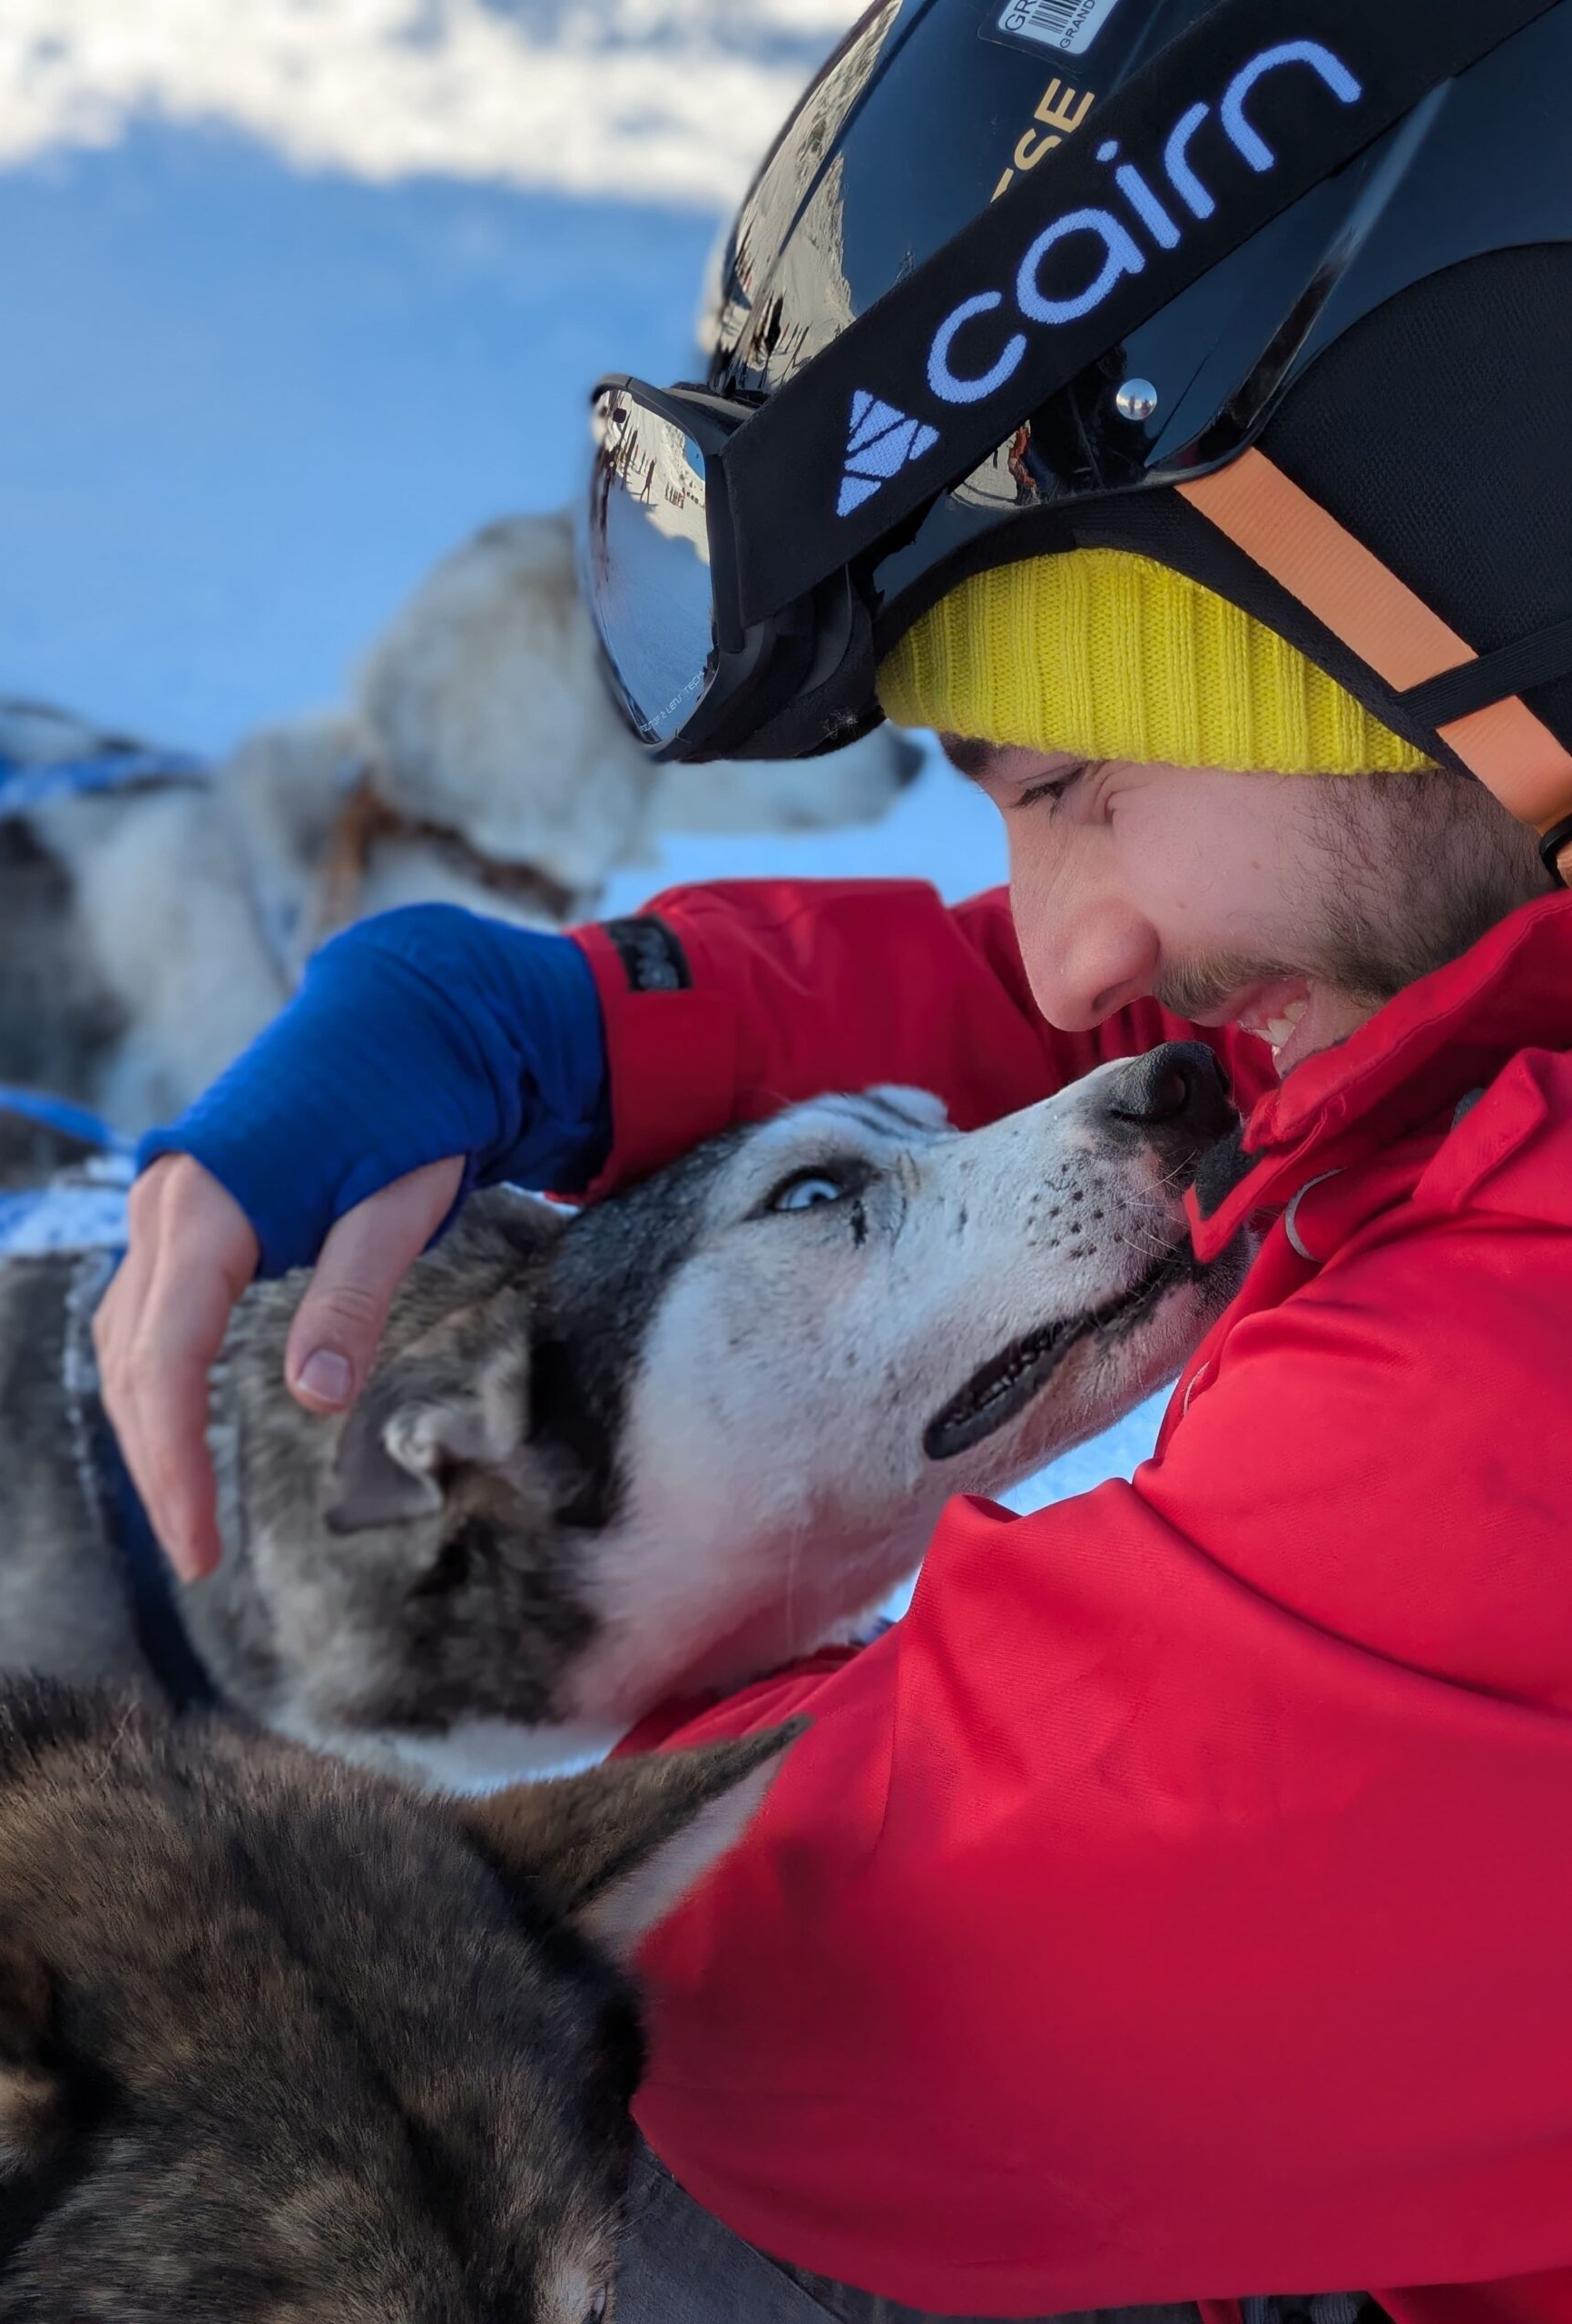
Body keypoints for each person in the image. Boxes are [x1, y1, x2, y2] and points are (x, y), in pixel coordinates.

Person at [94, 3, 1572, 2319]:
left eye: (1080, 772)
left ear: (1483, 580)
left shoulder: (1519, 1392)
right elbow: (1261, 1004)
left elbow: (847, 1978)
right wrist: (568, 1021)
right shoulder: (1478, 930)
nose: (1076, 958)